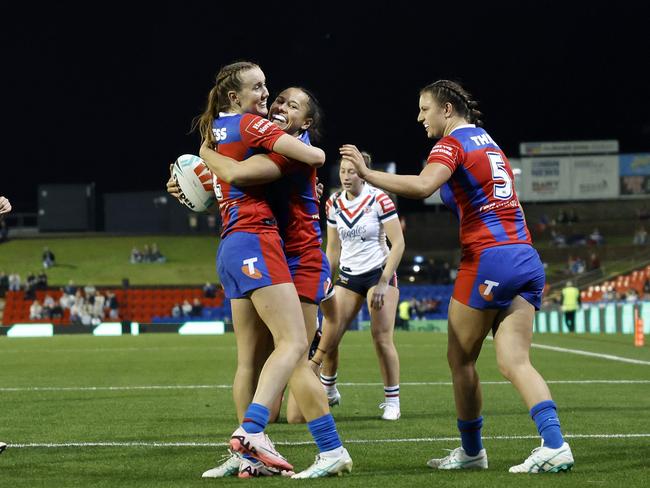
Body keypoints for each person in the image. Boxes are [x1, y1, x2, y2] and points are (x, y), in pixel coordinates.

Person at [340, 79, 574, 473]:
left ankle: (471, 451)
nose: (419, 117)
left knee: (460, 358)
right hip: (525, 256)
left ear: (447, 110)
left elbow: (421, 185)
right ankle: (555, 443)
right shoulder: (488, 141)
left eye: (424, 109)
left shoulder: (452, 143)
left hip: (488, 259)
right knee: (515, 360)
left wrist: (367, 172)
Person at [172, 63, 350, 478]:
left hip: (298, 255)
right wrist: (190, 181)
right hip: (264, 248)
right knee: (252, 357)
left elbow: (236, 173)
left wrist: (204, 158)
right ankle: (250, 450)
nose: (279, 101)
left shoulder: (287, 146)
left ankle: (324, 449)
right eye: (276, 95)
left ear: (305, 122)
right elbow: (229, 176)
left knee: (297, 358)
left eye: (292, 103)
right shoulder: (260, 137)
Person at [310, 154, 405, 421]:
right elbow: (332, 248)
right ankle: (329, 389)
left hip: (379, 274)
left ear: (364, 173)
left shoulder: (379, 199)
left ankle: (392, 401)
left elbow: (398, 244)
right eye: (343, 171)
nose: (346, 175)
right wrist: (326, 279)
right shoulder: (333, 203)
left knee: (381, 337)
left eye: (352, 171)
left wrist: (384, 282)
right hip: (349, 277)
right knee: (331, 333)